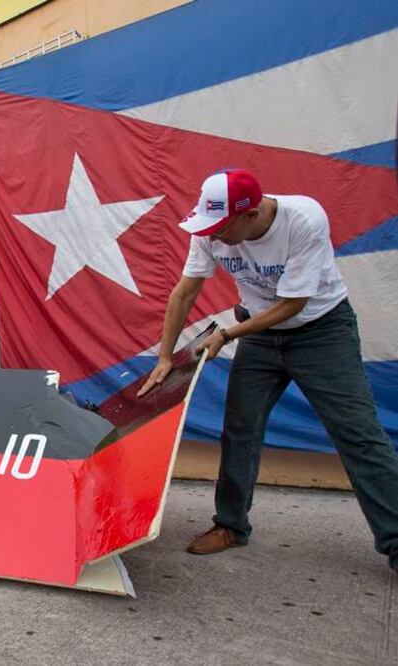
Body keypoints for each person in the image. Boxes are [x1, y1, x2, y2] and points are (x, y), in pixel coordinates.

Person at [139, 168, 398, 573]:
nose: (214, 235)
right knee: (240, 428)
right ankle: (230, 525)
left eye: (223, 227)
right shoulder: (209, 230)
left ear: (252, 213)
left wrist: (226, 334)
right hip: (259, 332)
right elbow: (185, 290)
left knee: (359, 435)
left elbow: (293, 305)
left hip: (321, 331)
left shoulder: (304, 220)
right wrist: (165, 357)